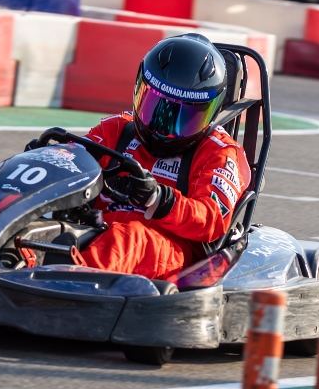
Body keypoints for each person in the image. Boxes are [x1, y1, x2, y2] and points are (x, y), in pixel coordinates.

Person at [74, 33, 251, 280]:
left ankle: (61, 286)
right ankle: (15, 268)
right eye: (155, 107)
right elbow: (74, 160)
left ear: (210, 112)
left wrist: (161, 199)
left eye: (183, 117)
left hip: (170, 249)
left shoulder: (219, 152)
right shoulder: (117, 129)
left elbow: (211, 219)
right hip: (98, 227)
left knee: (128, 239)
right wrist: (49, 158)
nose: (162, 127)